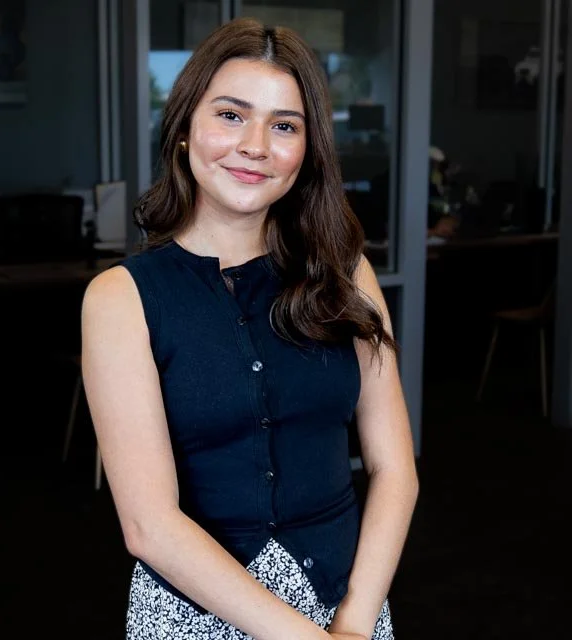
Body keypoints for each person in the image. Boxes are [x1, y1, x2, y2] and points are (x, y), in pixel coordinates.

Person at [81, 18, 418, 640]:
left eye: (284, 125)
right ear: (185, 127)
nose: (255, 145)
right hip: (193, 614)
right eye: (231, 115)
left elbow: (395, 467)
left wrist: (355, 622)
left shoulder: (346, 273)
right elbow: (149, 526)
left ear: (308, 148)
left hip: (348, 608)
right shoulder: (120, 298)